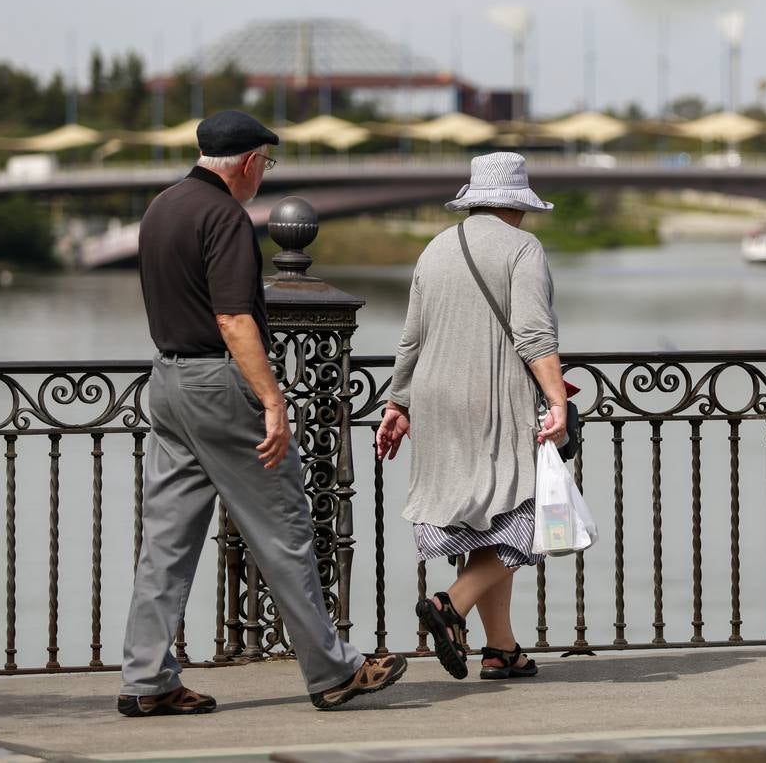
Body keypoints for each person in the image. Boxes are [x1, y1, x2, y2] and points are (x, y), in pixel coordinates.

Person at [119, 110, 405, 715]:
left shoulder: (162, 207)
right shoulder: (223, 215)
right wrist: (273, 400)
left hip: (167, 380)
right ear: (249, 162)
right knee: (285, 526)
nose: (263, 176)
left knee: (166, 541)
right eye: (266, 164)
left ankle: (147, 679)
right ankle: (333, 671)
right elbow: (233, 317)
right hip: (218, 386)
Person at [376, 151, 568, 681]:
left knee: (484, 523)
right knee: (528, 521)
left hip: (435, 401)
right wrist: (558, 400)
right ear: (518, 205)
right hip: (494, 398)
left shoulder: (435, 249)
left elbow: (411, 338)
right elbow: (533, 334)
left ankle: (501, 649)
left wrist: (398, 402)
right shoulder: (522, 248)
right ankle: (449, 605)